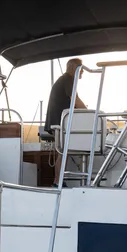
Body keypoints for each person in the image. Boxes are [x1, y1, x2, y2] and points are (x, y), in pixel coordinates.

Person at [44, 58, 87, 186]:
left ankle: (58, 181)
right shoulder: (69, 79)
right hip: (59, 123)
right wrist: (90, 113)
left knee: (63, 152)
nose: (83, 72)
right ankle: (58, 182)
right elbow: (75, 99)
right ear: (74, 68)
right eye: (81, 69)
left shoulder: (65, 79)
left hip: (58, 122)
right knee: (63, 152)